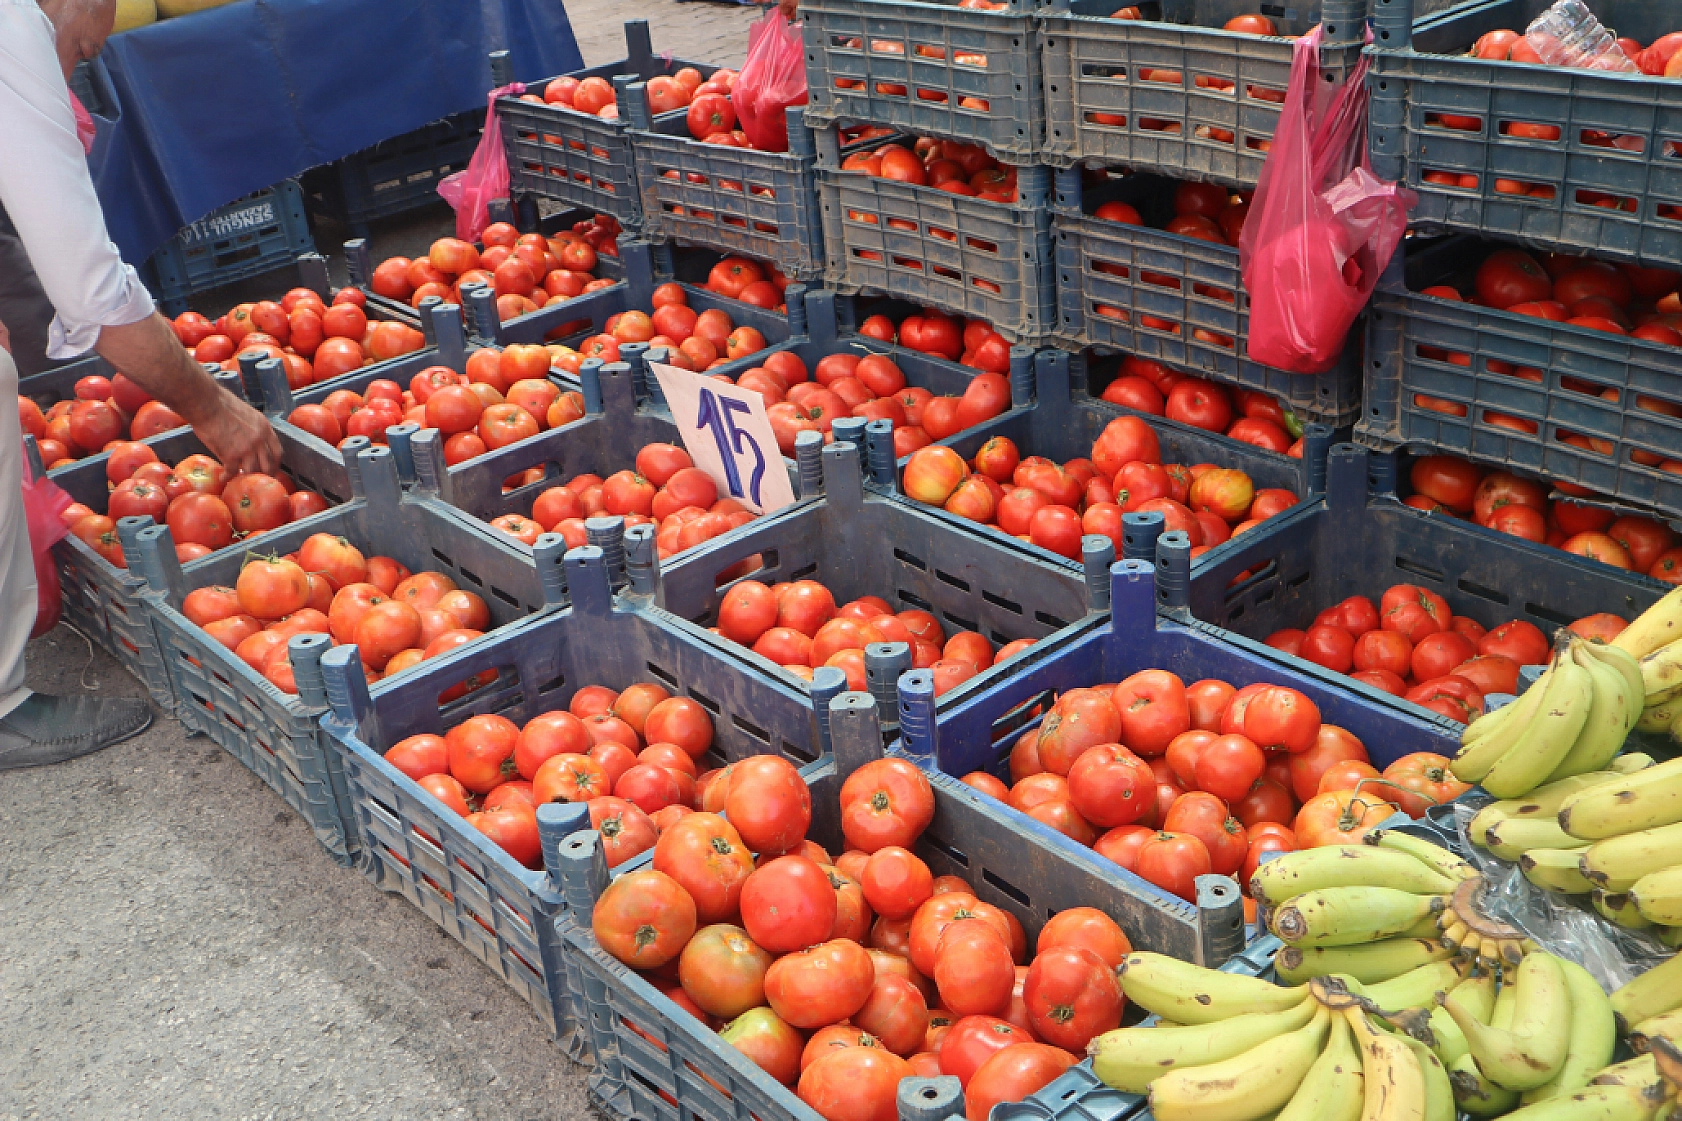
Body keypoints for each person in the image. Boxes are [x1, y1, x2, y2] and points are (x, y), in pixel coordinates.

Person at [0, 0, 282, 769]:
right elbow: (91, 292)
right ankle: (1, 707)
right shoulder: (10, 35)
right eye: (89, 45)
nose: (85, 62)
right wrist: (212, 406)